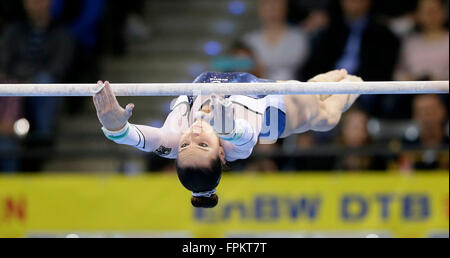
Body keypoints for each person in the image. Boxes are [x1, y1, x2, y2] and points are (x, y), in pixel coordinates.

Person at [93, 70, 361, 208]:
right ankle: (353, 83)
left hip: (243, 85)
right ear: (221, 155)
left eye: (185, 145)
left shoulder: (172, 142)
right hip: (273, 108)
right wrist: (226, 126)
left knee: (318, 88)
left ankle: (337, 77)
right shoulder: (236, 148)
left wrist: (118, 129)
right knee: (325, 115)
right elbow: (242, 135)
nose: (193, 135)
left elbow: (141, 139)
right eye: (204, 145)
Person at [243, 0, 310, 80]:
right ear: (260, 10)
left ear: (285, 9)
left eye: (276, 7)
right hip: (259, 88)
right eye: (268, 7)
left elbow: (298, 61)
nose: (272, 12)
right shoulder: (250, 40)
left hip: (292, 87)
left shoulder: (298, 37)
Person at [395, 0, 449, 82]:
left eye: (434, 10)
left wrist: (437, 81)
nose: (431, 15)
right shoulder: (410, 42)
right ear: (417, 15)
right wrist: (410, 80)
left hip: (444, 90)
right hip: (413, 90)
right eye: (426, 11)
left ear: (444, 12)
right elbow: (399, 73)